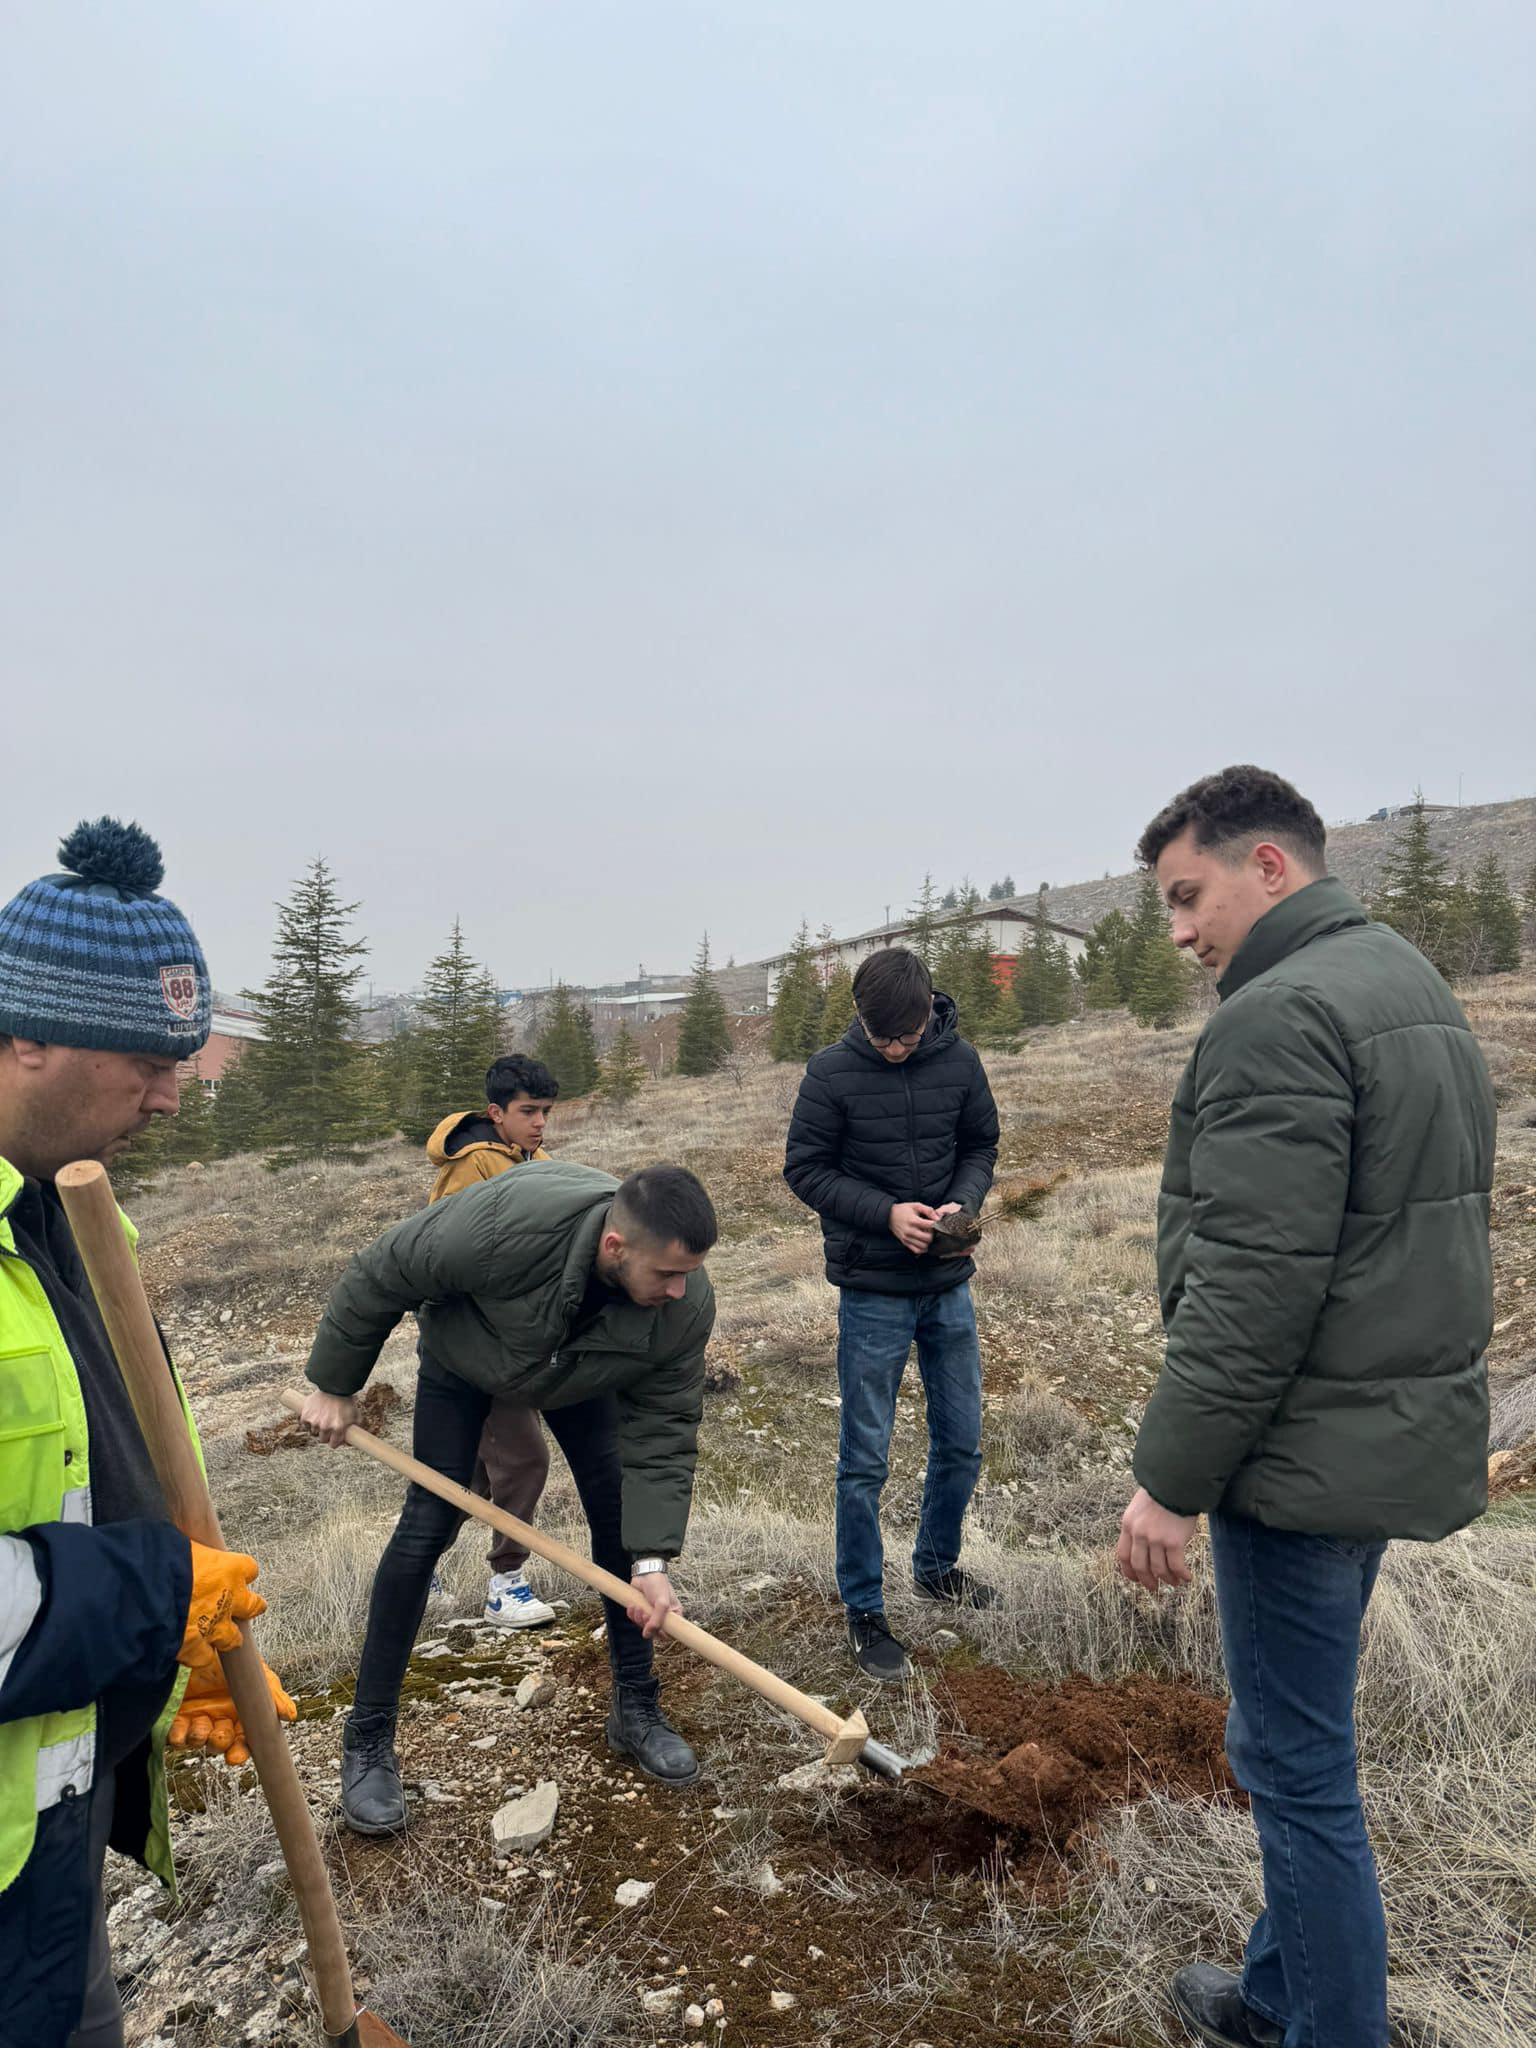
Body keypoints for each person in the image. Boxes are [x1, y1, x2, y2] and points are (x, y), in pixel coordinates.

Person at [1115, 766, 1495, 2048]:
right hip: (1373, 1432)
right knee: (1293, 1740)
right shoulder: (1408, 984)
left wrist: (1171, 1480)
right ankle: (1277, 1991)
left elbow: (1254, 1284)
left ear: (1267, 865)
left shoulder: (1278, 1014)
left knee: (1296, 1769)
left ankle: (1332, 2027)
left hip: (1302, 1453)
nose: (1178, 932)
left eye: (1187, 895)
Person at [0, 818, 289, 2048]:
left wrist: (165, 1673)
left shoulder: (56, 1211)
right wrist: (150, 1600)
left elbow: (78, 1486)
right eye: (146, 1060)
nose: (174, 1093)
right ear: (25, 1035)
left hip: (45, 1837)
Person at [299, 1159, 717, 1830]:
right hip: (466, 1359)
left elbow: (663, 1432)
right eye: (665, 1274)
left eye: (688, 1274)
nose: (678, 1289)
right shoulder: (507, 1224)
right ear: (616, 1247)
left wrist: (651, 1564)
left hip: (581, 1374)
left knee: (619, 1521)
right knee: (428, 1525)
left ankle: (635, 1707)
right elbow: (385, 1267)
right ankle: (369, 1738)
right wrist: (334, 1381)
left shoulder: (681, 1305)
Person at [783, 946, 999, 1682]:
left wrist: (961, 1205)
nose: (894, 1048)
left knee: (962, 1441)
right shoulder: (829, 1074)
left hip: (947, 1283)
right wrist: (885, 1215)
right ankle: (865, 1610)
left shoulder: (961, 1062)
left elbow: (981, 1144)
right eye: (882, 1037)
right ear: (861, 1017)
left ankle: (937, 1568)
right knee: (865, 1461)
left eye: (905, 1036)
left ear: (928, 1011)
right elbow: (805, 1169)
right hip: (872, 1290)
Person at [425, 1052, 560, 1629]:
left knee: (471, 1476)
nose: (539, 1123)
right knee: (525, 1460)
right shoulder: (471, 1166)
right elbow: (451, 1253)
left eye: (546, 1112)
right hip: (474, 1345)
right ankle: (506, 1582)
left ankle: (419, 1562)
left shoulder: (542, 1162)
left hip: (518, 1343)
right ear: (495, 1112)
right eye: (528, 1111)